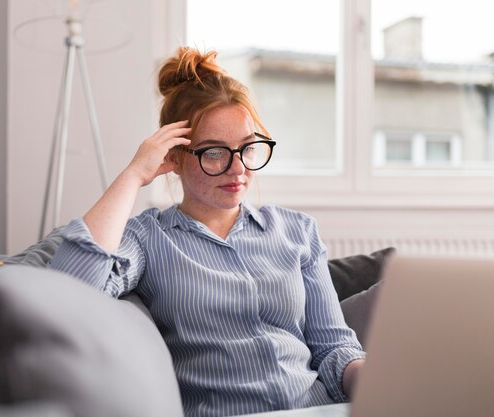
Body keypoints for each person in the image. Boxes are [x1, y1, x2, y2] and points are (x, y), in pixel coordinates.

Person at [48, 46, 365, 417]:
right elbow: (68, 290)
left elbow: (333, 347)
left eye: (248, 148)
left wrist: (376, 379)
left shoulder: (297, 232)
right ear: (176, 158)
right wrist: (134, 174)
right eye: (215, 152)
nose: (238, 169)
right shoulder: (149, 239)